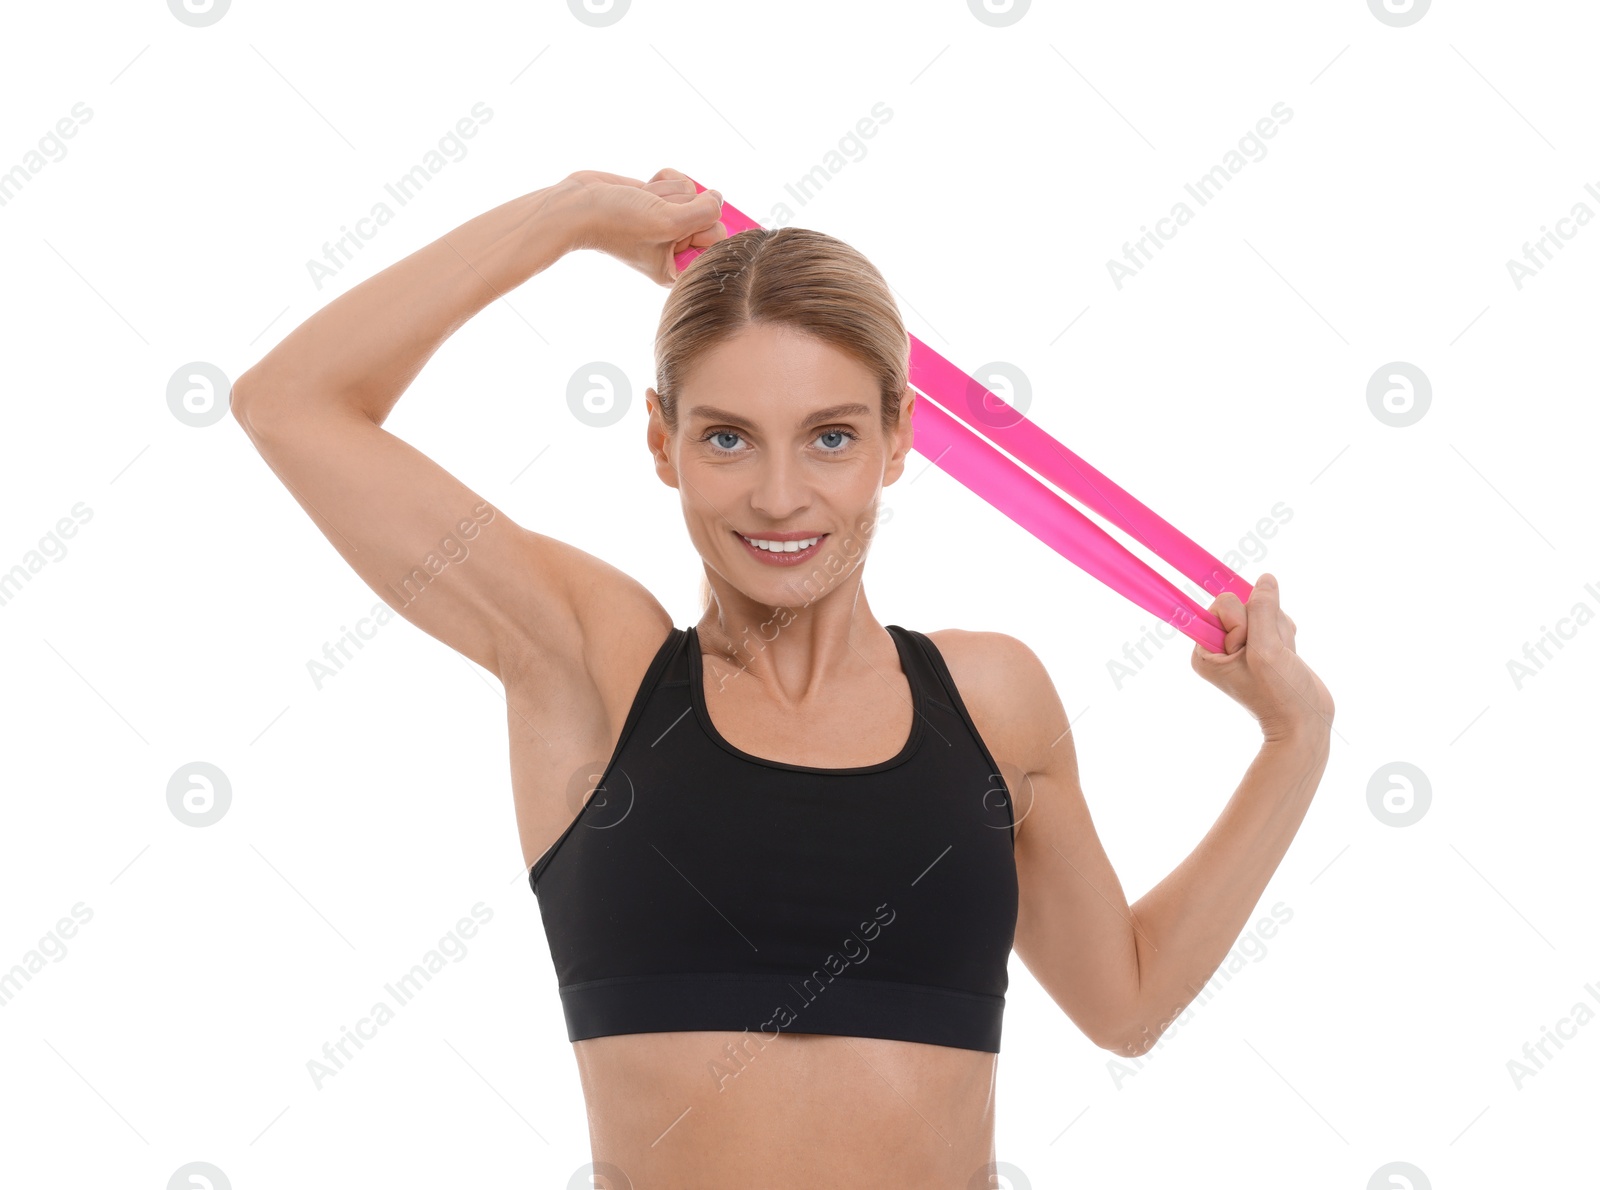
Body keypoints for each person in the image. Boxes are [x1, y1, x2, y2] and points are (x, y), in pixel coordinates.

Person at [231, 166, 1335, 1187]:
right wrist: (565, 216)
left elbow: (1126, 1003)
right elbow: (291, 404)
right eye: (725, 439)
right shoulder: (594, 667)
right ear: (660, 442)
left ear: (899, 439)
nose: (777, 495)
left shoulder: (991, 700)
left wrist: (1295, 744)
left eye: (829, 437)